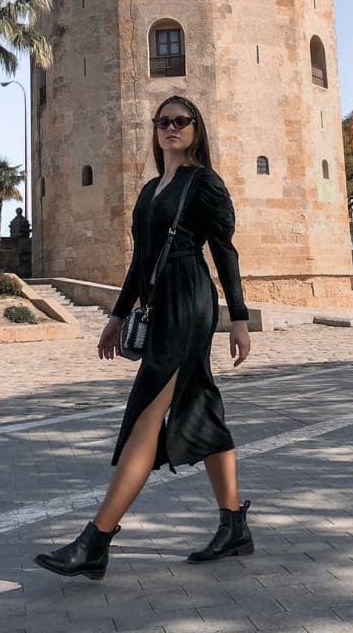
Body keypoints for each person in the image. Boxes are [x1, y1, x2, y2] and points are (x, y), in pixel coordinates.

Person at [35, 95, 252, 582]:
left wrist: (237, 318)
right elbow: (139, 261)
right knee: (199, 408)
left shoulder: (204, 183)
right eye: (164, 122)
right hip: (159, 302)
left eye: (181, 121)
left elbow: (225, 252)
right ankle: (234, 525)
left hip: (188, 300)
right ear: (155, 131)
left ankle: (96, 540)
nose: (172, 128)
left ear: (197, 129)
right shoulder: (151, 189)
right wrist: (116, 315)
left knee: (146, 413)